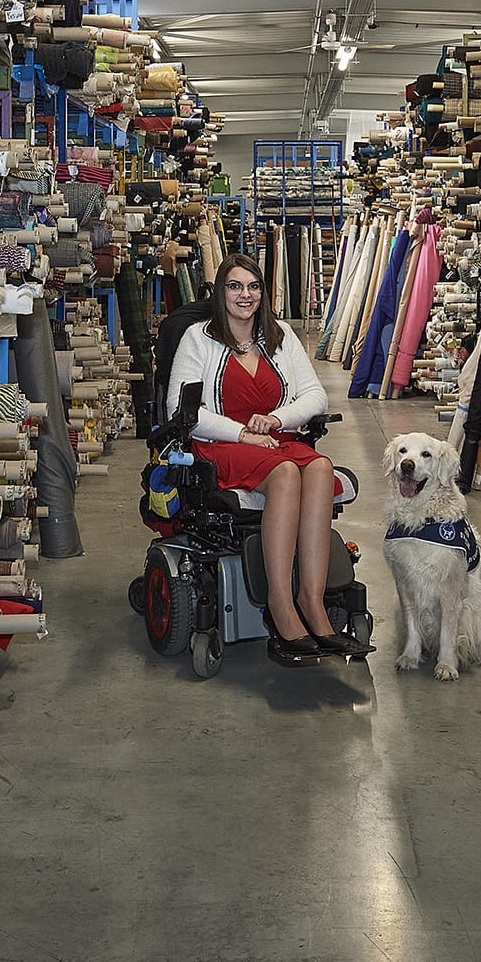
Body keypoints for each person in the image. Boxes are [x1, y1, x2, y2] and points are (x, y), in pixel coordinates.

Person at [166, 252, 375, 665]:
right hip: (220, 443)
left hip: (273, 438)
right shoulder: (197, 339)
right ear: (220, 292)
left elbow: (315, 396)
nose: (246, 295)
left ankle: (311, 602)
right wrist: (241, 432)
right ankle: (280, 606)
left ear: (263, 292)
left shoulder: (280, 337)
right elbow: (181, 410)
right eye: (235, 286)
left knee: (319, 467)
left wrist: (277, 418)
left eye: (253, 286)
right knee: (285, 473)